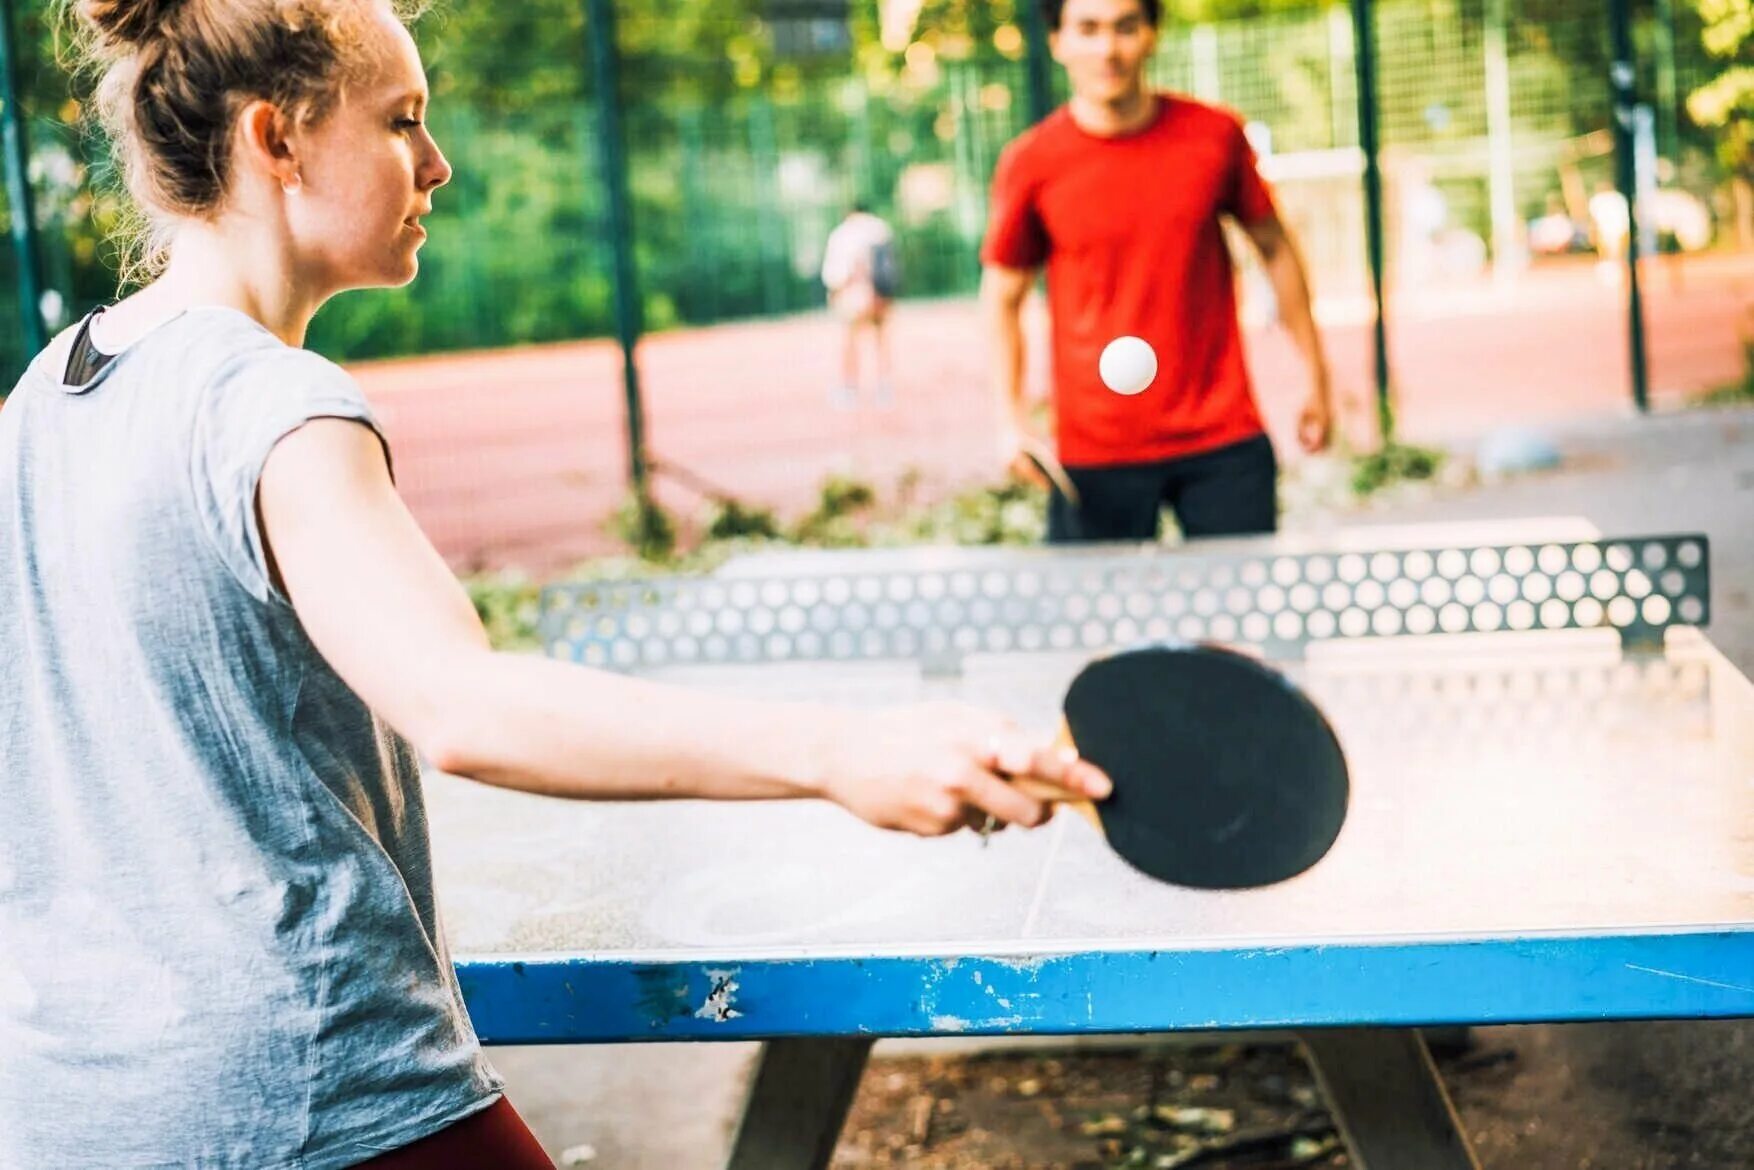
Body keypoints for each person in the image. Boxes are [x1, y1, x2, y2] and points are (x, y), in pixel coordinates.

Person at [0, 2, 1110, 1166]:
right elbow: (464, 709)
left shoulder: (41, 398)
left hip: (61, 1108)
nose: (437, 163)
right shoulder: (275, 409)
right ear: (276, 139)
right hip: (305, 1092)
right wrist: (841, 753)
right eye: (402, 121)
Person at [983, 0, 1335, 545]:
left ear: (1151, 35)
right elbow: (1003, 296)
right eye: (1089, 29)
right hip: (1094, 451)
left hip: (1221, 437)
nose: (1108, 49)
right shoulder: (1031, 162)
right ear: (1058, 42)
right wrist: (1011, 420)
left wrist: (1315, 376)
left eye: (1125, 27)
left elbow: (1275, 247)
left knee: (1234, 628)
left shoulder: (1215, 135)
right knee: (1100, 630)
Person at [820, 200, 899, 408]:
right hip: (882, 295)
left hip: (854, 294)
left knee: (850, 342)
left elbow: (835, 273)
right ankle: (884, 388)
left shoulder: (843, 233)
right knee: (881, 342)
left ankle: (849, 389)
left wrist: (836, 292)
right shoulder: (882, 229)